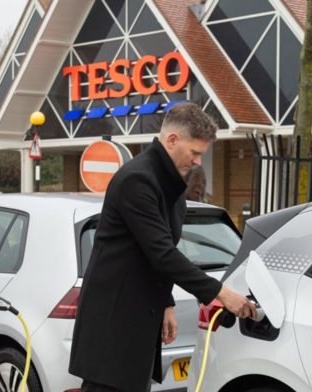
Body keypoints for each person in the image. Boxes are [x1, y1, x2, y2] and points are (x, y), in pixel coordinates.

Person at [69, 103, 256, 392]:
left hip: (138, 319)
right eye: (194, 153)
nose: (197, 162)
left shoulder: (169, 185)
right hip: (113, 324)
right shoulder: (137, 180)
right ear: (171, 140)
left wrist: (165, 300)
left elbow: (156, 249)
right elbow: (162, 253)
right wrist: (221, 293)